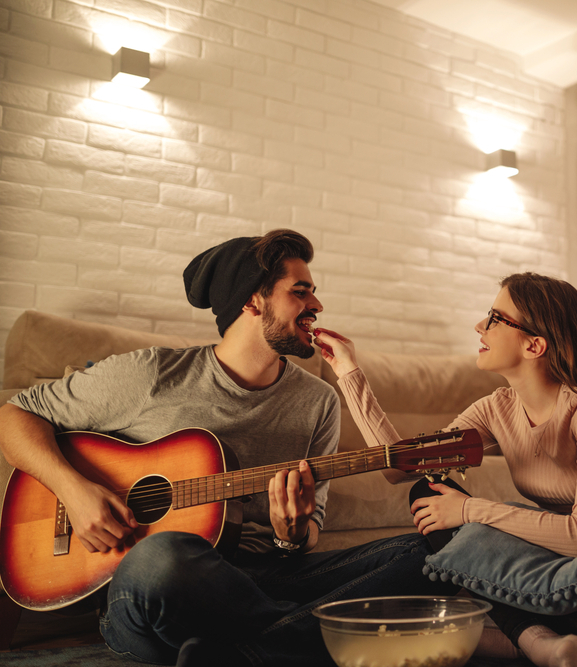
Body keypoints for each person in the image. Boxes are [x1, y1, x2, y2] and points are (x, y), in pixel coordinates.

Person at [0, 230, 446, 667]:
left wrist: (290, 537)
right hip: (159, 590)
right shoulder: (152, 373)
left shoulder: (319, 401)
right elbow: (12, 416)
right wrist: (75, 491)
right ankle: (293, 639)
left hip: (264, 577)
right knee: (162, 556)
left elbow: (310, 530)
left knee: (429, 552)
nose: (316, 305)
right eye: (301, 291)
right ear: (253, 300)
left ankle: (246, 651)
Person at [314, 272, 577, 667]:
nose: (480, 326)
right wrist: (349, 372)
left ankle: (521, 639)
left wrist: (472, 509)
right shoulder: (496, 409)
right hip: (549, 560)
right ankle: (540, 642)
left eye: (494, 318)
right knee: (428, 493)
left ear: (534, 345)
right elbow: (401, 468)